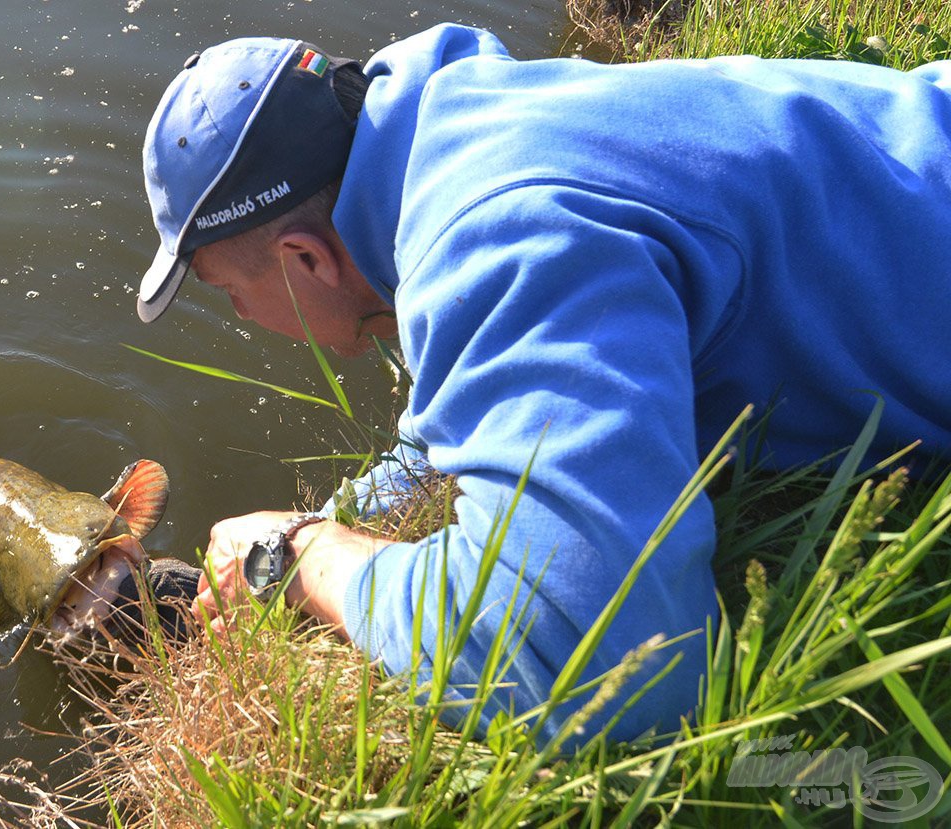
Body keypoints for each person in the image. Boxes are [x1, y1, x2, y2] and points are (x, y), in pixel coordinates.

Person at [132, 24, 951, 742]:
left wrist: (304, 558)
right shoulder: (454, 127)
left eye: (231, 294)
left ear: (304, 259)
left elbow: (605, 663)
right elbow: (464, 401)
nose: (243, 317)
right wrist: (341, 511)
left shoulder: (499, 238)